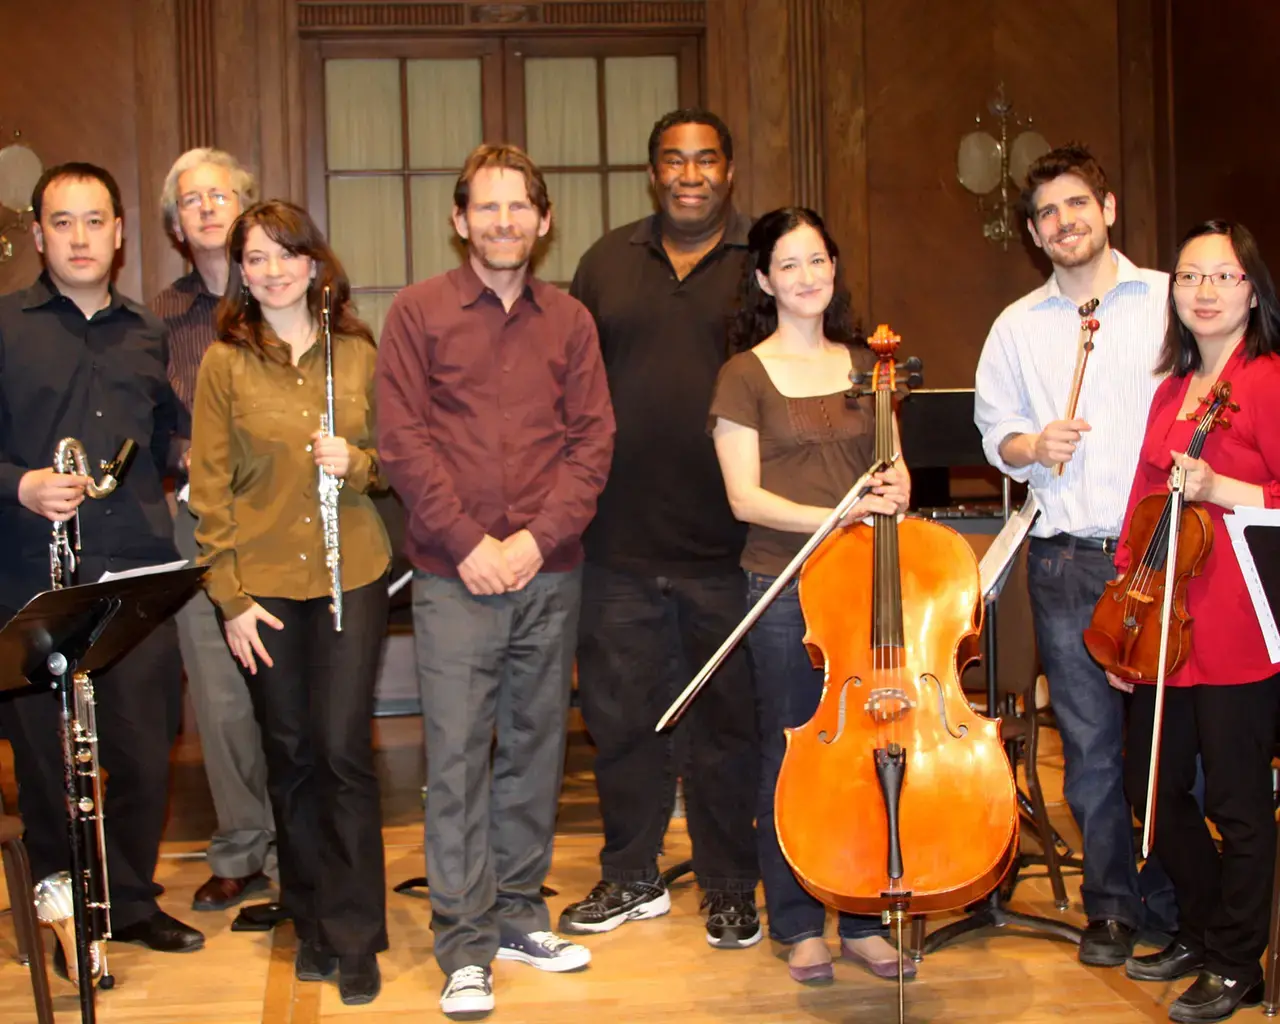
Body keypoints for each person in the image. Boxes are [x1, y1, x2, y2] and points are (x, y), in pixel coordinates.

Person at [376, 143, 614, 1022]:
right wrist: (473, 542)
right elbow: (402, 440)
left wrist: (534, 539)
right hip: (451, 575)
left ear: (544, 222)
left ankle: (519, 913)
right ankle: (464, 942)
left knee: (535, 747)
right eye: (487, 207)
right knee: (458, 758)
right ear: (460, 218)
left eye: (520, 208)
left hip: (549, 572)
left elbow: (592, 444)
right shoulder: (417, 311)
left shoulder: (572, 322)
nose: (504, 221)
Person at [558, 108, 762, 947]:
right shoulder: (606, 261)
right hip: (617, 543)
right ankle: (632, 876)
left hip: (733, 548)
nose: (689, 174)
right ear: (653, 173)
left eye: (705, 160)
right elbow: (567, 389)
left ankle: (729, 887)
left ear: (729, 172)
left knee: (726, 729)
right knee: (621, 723)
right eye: (673, 161)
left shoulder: (767, 261)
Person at [973, 142, 1175, 965]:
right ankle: (1114, 909)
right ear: (1033, 231)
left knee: (1174, 745)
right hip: (1067, 562)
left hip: (1168, 554)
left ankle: (1182, 904)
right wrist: (1031, 442)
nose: (1064, 222)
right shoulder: (1016, 327)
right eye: (1048, 214)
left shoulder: (1170, 301)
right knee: (1090, 749)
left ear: (1109, 208)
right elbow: (995, 437)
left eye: (1077, 205)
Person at [0, 162, 204, 973]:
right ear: (38, 231)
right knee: (49, 764)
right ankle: (65, 917)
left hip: (133, 578)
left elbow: (170, 441)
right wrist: (19, 484)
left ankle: (131, 901)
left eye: (94, 222)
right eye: (62, 222)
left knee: (145, 751)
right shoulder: (4, 326)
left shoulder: (147, 334)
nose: (79, 237)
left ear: (121, 235)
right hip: (31, 579)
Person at [187, 200, 390, 1005]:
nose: (270, 270)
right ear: (242, 272)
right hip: (262, 589)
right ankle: (307, 922)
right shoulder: (223, 364)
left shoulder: (358, 354)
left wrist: (359, 463)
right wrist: (229, 597)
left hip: (353, 575)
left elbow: (395, 460)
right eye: (255, 258)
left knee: (343, 751)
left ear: (314, 264)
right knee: (293, 754)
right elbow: (208, 491)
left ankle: (356, 934)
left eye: (285, 254)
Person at [709, 206, 915, 983]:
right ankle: (797, 921)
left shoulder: (871, 365)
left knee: (866, 750)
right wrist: (841, 516)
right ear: (764, 279)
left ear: (834, 269)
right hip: (785, 585)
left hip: (870, 582)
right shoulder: (743, 373)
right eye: (789, 264)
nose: (807, 276)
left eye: (818, 260)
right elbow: (745, 500)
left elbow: (894, 476)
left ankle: (861, 917)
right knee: (793, 751)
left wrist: (891, 490)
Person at [1109, 220, 1280, 1023]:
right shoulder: (1172, 389)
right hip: (1164, 621)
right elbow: (1143, 503)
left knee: (1239, 805)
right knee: (1154, 790)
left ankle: (1239, 961)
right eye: (1189, 278)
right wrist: (1123, 611)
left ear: (1252, 289)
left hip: (1240, 622)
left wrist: (1222, 489)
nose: (1204, 292)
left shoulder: (1271, 379)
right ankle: (1204, 927)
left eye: (1223, 277)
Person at [153, 146, 276, 912]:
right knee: (224, 698)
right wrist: (182, 450)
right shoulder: (156, 318)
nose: (205, 208)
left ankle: (303, 843)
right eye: (190, 201)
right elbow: (147, 420)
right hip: (199, 519)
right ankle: (240, 846)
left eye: (219, 195)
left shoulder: (280, 288)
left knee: (291, 689)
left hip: (282, 514)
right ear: (173, 225)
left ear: (244, 205)